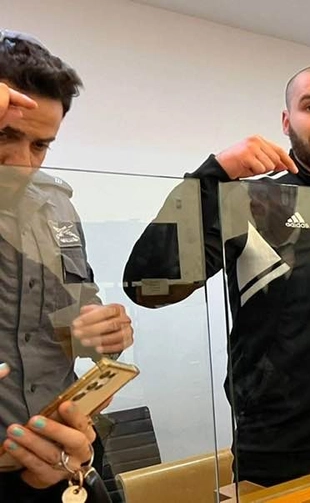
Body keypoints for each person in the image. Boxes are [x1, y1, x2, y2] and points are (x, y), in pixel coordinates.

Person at [123, 64, 310, 487]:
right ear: (287, 121)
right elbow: (148, 283)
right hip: (278, 452)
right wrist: (213, 174)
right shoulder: (251, 202)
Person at [0, 29, 134, 500]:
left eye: (40, 145)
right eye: (4, 135)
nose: (23, 163)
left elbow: (75, 311)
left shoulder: (57, 206)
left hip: (69, 453)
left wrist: (98, 333)